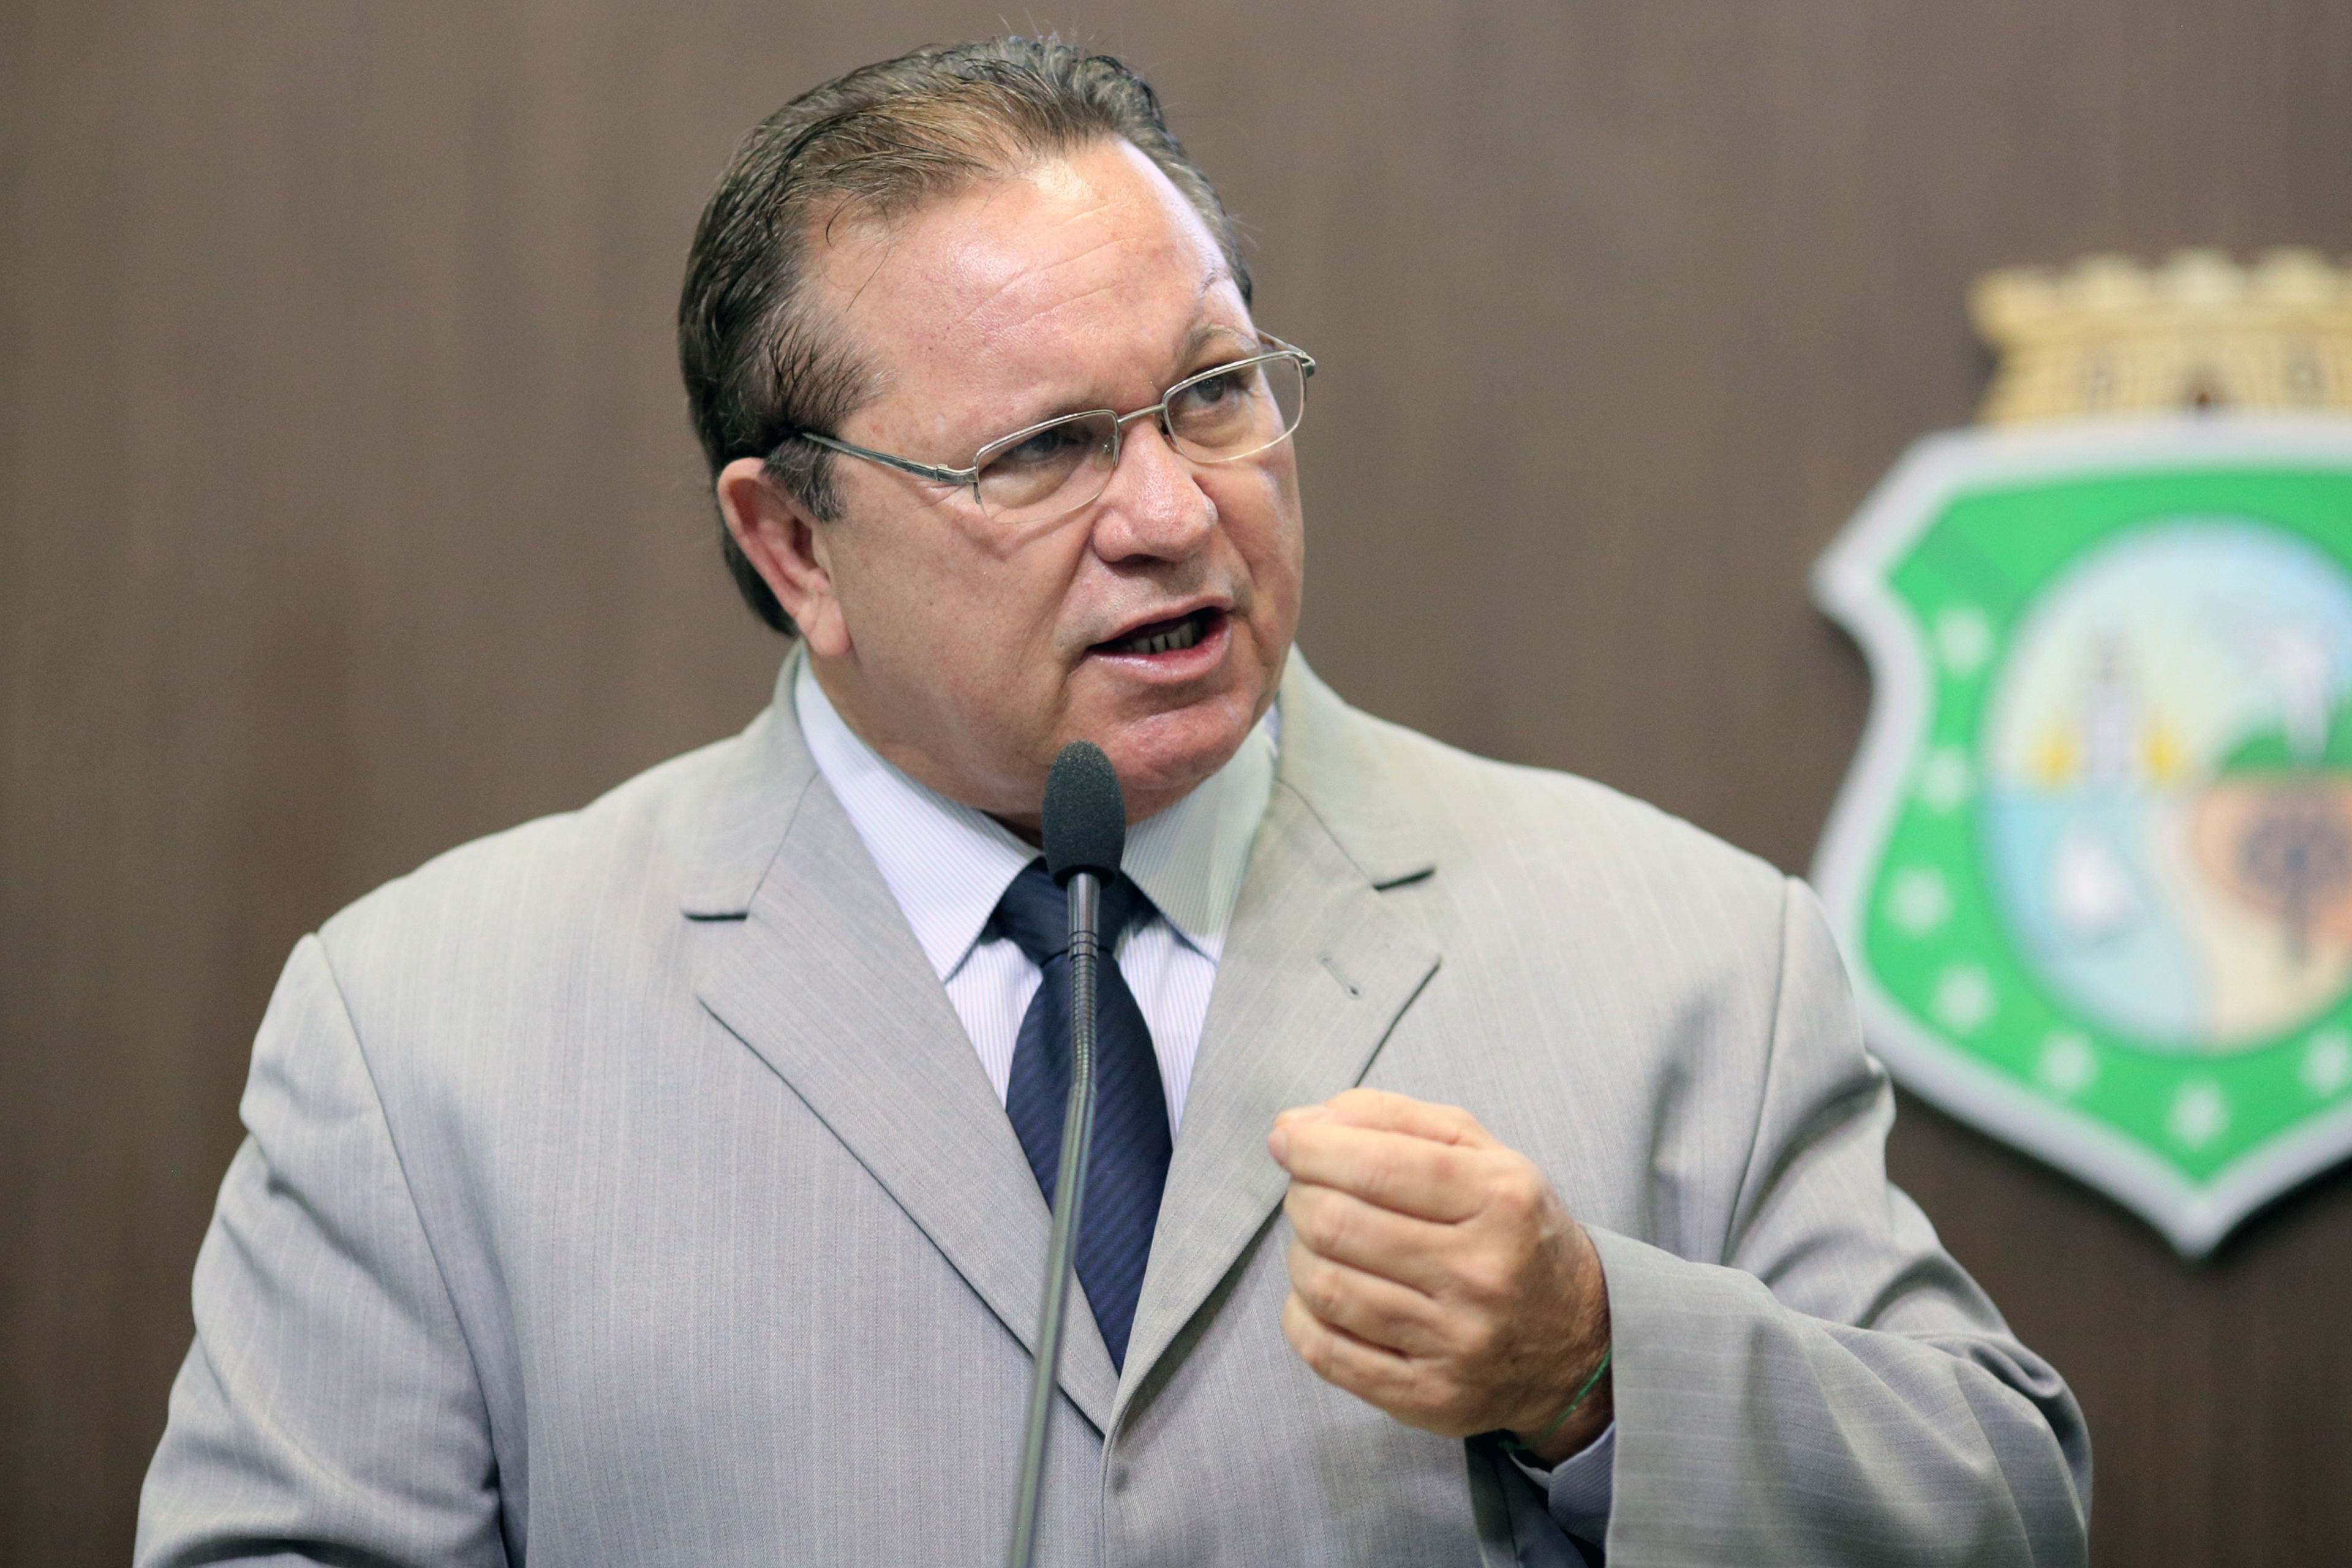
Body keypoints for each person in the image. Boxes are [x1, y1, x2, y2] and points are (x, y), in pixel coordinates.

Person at [137, 37, 2089, 1568]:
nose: (1171, 512)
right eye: (1047, 449)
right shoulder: (428, 1031)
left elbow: (2005, 1511)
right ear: (794, 541)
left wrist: (1594, 1368)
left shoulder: (1682, 949)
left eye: (1215, 394)